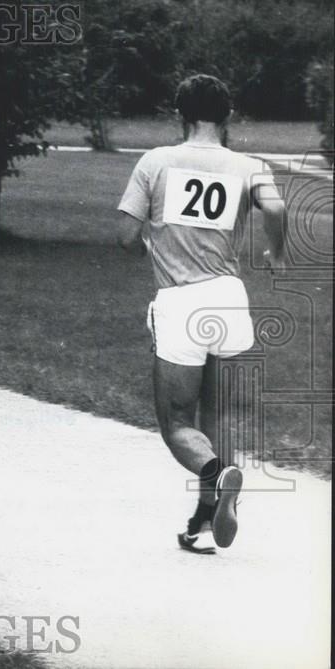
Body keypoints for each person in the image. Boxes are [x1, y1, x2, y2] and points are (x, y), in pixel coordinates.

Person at [116, 74, 287, 554]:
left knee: (177, 424)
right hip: (231, 299)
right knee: (219, 418)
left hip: (181, 301)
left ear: (180, 114)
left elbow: (127, 237)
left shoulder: (155, 162)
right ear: (227, 116)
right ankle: (205, 520)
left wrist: (154, 240)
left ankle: (214, 475)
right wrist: (277, 254)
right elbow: (275, 209)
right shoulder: (250, 165)